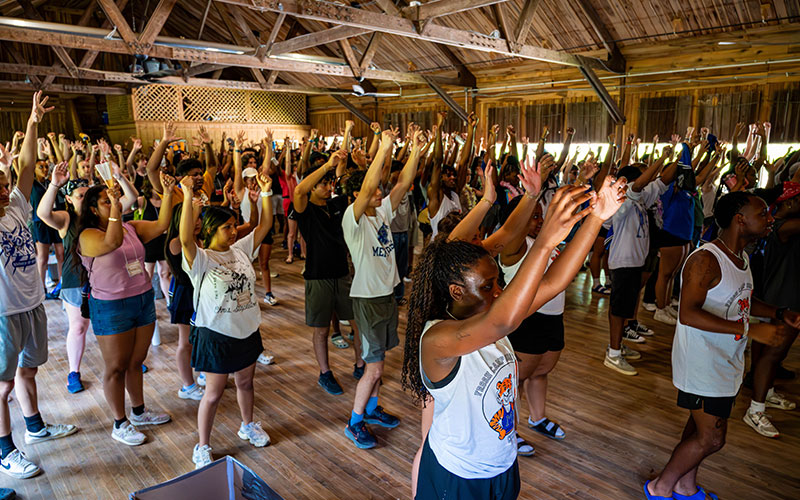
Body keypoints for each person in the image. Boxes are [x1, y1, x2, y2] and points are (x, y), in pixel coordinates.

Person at [403, 179, 624, 499]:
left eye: (497, 283)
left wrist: (597, 218)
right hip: (459, 475)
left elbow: (555, 281)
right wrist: (545, 241)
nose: (498, 292)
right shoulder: (438, 339)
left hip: (502, 464)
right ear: (456, 292)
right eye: (488, 286)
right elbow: (503, 319)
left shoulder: (490, 316)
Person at [645, 191, 800, 500]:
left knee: (699, 429)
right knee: (712, 439)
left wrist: (778, 313)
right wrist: (750, 330)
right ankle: (659, 488)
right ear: (740, 220)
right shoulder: (706, 259)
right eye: (763, 214)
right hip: (701, 364)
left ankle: (684, 486)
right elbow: (688, 314)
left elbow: (742, 298)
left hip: (723, 360)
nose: (770, 219)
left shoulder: (740, 257)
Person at [0, 91, 77, 480]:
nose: (4, 186)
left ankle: (35, 428)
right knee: (1, 387)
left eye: (2, 181)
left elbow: (27, 166)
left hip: (31, 305)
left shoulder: (14, 204)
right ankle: (5, 451)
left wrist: (32, 123)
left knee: (28, 373)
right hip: (2, 314)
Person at [180, 172, 274, 469]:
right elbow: (184, 237)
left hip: (246, 329)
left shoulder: (241, 250)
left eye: (234, 225)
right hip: (215, 334)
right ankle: (203, 445)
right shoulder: (201, 258)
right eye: (226, 227)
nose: (233, 231)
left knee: (246, 383)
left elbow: (266, 225)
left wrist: (267, 194)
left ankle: (247, 426)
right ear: (209, 230)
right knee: (214, 393)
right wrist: (186, 197)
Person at [76, 172, 175, 446]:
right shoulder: (88, 235)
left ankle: (140, 411)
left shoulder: (131, 227)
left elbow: (163, 223)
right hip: (111, 306)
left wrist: (167, 193)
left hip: (142, 298)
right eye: (107, 202)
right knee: (116, 367)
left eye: (114, 199)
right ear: (94, 209)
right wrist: (117, 211)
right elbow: (112, 242)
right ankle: (120, 423)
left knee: (135, 362)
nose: (113, 203)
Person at [341, 127, 422, 449]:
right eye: (373, 191)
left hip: (387, 296)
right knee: (373, 368)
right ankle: (355, 421)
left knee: (380, 364)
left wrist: (415, 149)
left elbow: (403, 183)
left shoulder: (383, 211)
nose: (379, 193)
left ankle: (372, 410)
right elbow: (369, 186)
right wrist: (385, 147)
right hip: (368, 299)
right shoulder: (354, 218)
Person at [293, 148, 365, 395]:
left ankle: (360, 364)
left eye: (328, 182)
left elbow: (346, 182)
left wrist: (343, 164)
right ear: (313, 186)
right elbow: (299, 191)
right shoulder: (305, 210)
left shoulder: (336, 204)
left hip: (342, 272)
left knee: (356, 324)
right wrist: (325, 167)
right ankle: (325, 373)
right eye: (322, 184)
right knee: (321, 329)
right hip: (317, 276)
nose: (327, 186)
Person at [604, 154, 677, 375]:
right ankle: (613, 354)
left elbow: (663, 181)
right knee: (618, 310)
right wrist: (663, 157)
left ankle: (617, 346)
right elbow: (647, 180)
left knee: (625, 307)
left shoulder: (641, 198)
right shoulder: (624, 199)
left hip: (634, 262)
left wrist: (682, 154)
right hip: (623, 263)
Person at [743, 182, 800, 437]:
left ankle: (765, 391)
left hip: (783, 297)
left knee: (770, 355)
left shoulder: (780, 225)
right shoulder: (781, 227)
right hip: (784, 299)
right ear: (788, 203)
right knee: (773, 356)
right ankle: (755, 410)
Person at [36, 162, 91, 393]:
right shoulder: (67, 219)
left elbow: (129, 200)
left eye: (88, 195)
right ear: (69, 199)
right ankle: (73, 372)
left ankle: (127, 363)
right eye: (80, 196)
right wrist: (54, 185)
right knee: (78, 327)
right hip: (74, 279)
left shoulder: (100, 214)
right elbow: (42, 213)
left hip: (103, 277)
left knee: (109, 324)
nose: (85, 200)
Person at [165, 202, 205, 401]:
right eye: (191, 218)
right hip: (186, 295)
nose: (196, 222)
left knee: (203, 336)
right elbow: (185, 240)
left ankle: (205, 371)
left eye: (198, 218)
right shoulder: (175, 242)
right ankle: (188, 385)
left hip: (203, 293)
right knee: (186, 341)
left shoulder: (202, 239)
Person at [233, 132, 278, 306]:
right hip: (246, 231)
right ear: (244, 179)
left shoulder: (262, 189)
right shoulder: (241, 191)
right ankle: (247, 293)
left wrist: (268, 146)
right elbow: (237, 170)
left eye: (254, 178)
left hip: (263, 229)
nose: (253, 181)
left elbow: (266, 167)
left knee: (264, 263)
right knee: (245, 266)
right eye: (249, 179)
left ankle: (268, 293)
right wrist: (237, 149)